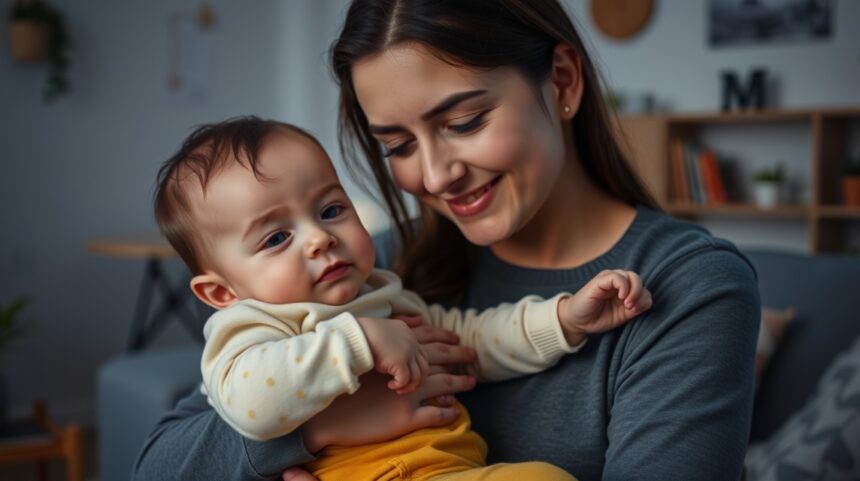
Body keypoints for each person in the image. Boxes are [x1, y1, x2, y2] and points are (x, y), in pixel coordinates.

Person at [133, 1, 760, 480]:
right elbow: (159, 462)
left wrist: (565, 318)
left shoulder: (684, 285)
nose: (432, 176)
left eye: (464, 122)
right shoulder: (376, 267)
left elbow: (483, 337)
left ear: (563, 82)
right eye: (398, 147)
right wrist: (319, 428)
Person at [151, 116, 651, 480]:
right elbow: (250, 404)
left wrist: (565, 319)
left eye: (330, 209)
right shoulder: (258, 325)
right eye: (275, 238)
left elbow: (473, 338)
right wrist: (358, 341)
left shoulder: (382, 295)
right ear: (222, 291)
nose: (319, 238)